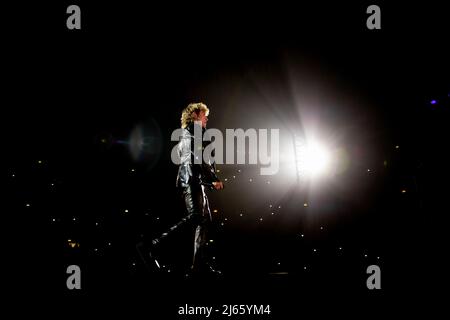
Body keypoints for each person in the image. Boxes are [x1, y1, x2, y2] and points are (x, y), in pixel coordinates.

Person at [176, 102, 224, 276]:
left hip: (197, 182)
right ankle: (155, 242)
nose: (207, 118)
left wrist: (211, 179)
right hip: (191, 181)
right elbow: (197, 158)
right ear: (196, 114)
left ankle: (198, 266)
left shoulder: (197, 133)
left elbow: (204, 159)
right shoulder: (192, 131)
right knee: (196, 219)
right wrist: (214, 180)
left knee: (204, 221)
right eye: (204, 114)